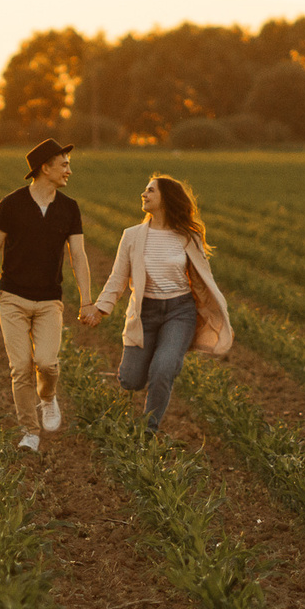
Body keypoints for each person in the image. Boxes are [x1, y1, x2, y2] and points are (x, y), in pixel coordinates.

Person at [0, 138, 95, 453]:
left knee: (48, 364)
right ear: (44, 168)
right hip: (11, 297)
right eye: (64, 164)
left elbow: (78, 255)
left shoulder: (69, 208)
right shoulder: (10, 205)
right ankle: (30, 432)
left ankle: (48, 398)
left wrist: (87, 300)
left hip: (50, 300)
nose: (69, 171)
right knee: (20, 365)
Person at [86, 172, 234, 435]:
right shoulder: (131, 236)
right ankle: (142, 364)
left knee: (163, 369)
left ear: (166, 198)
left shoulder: (188, 237)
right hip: (145, 312)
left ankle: (149, 428)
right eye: (145, 190)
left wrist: (214, 312)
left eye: (150, 190)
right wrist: (101, 308)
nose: (144, 194)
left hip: (180, 312)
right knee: (131, 380)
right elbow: (118, 277)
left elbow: (202, 279)